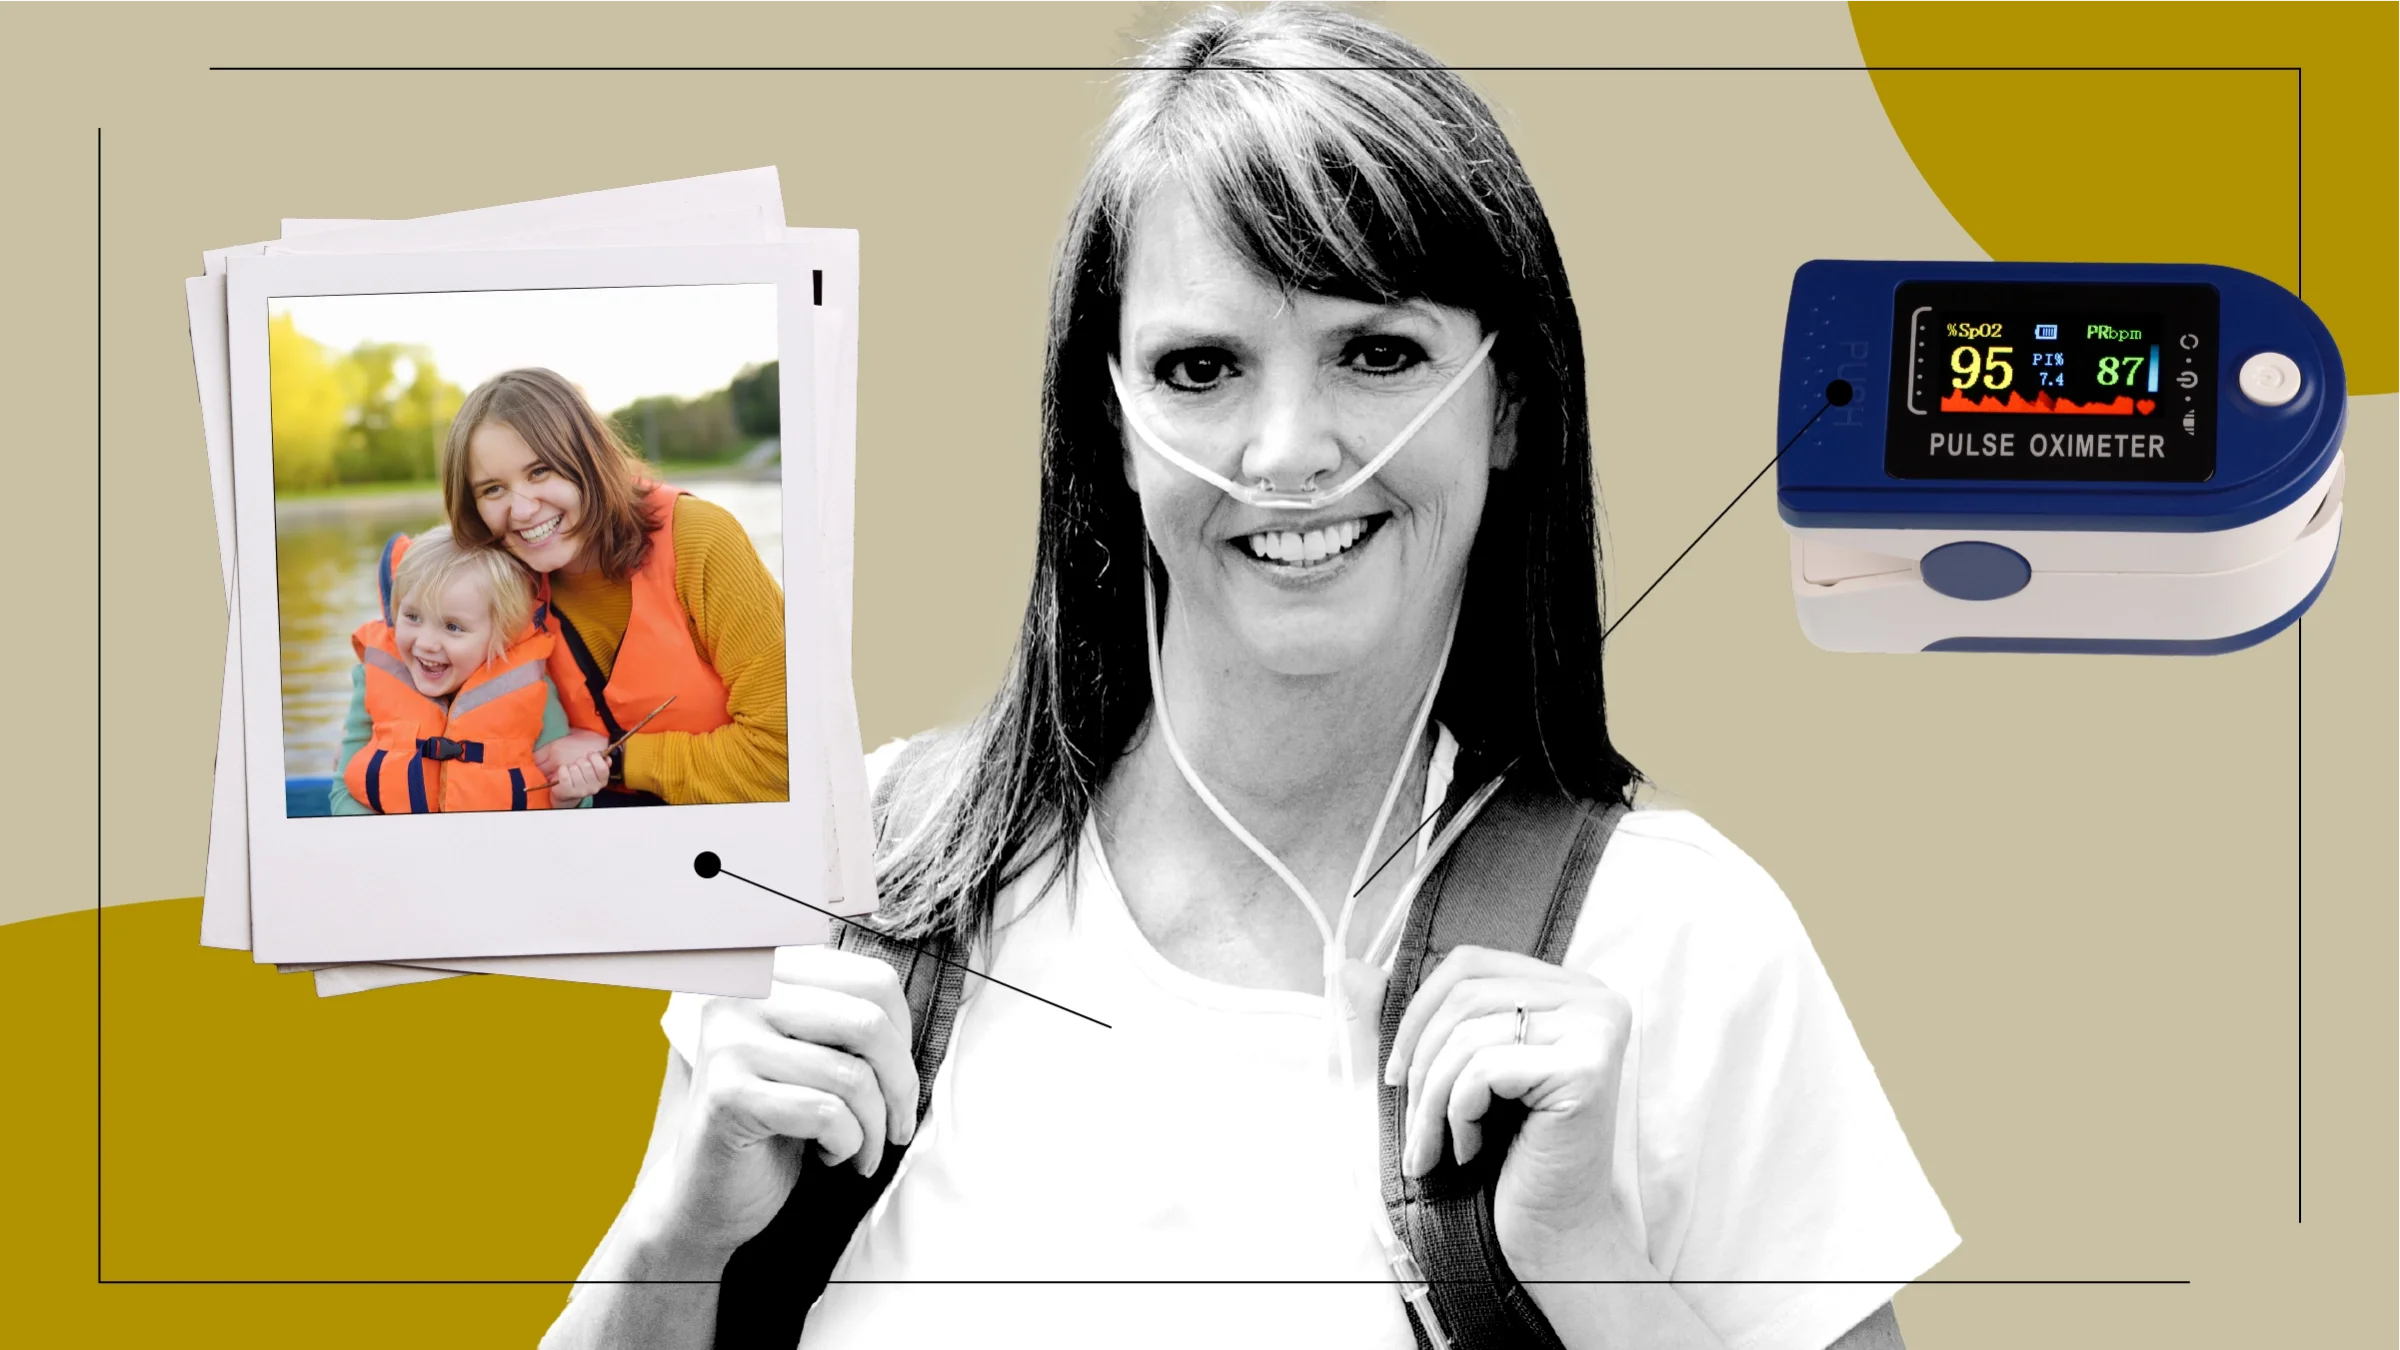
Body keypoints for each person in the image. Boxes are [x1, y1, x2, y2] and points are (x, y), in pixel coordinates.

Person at [548, 6, 1955, 1348]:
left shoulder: (1685, 943)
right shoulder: (852, 881)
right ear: (1111, 422)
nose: (1287, 453)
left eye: (1378, 352)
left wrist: (1585, 1263)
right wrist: (674, 1237)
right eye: (1202, 366)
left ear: (1511, 399)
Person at [440, 366, 790, 807]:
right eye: (493, 489)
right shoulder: (491, 585)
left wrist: (618, 760)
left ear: (587, 458)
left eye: (540, 471)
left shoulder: (701, 539)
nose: (523, 510)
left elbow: (787, 759)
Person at [333, 525, 609, 814]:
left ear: (502, 634)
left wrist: (568, 798)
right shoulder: (372, 679)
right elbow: (343, 792)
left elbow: (562, 803)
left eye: (453, 627)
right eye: (412, 616)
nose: (425, 643)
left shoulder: (532, 688)